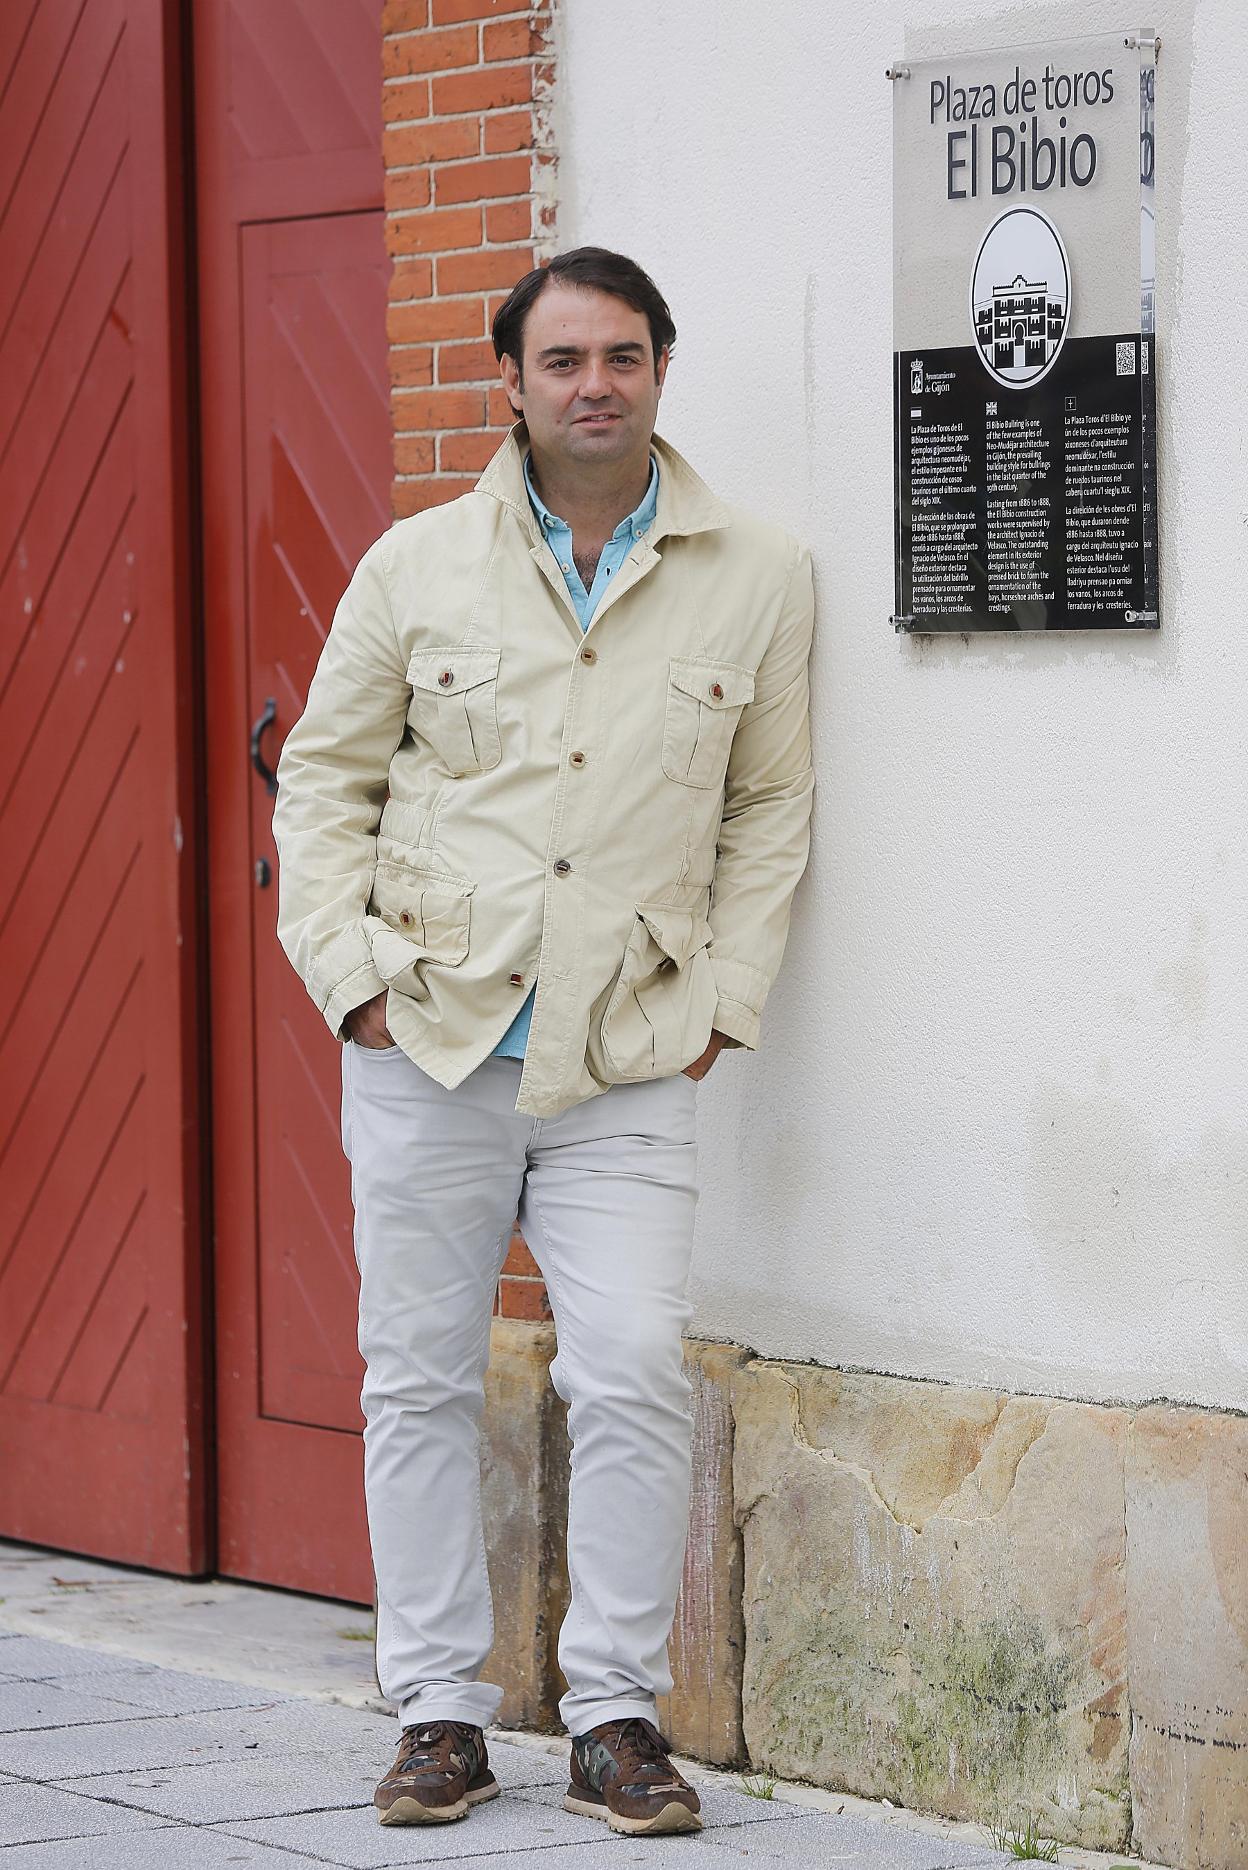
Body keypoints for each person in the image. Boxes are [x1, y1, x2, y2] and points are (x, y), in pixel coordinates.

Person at [272, 246, 815, 1838]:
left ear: (660, 371)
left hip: (626, 1053)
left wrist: (722, 998)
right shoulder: (413, 566)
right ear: (508, 379)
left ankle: (614, 1715)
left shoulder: (759, 574)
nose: (595, 384)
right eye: (564, 357)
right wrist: (350, 973)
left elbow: (772, 806)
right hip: (428, 1035)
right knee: (418, 1379)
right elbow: (326, 777)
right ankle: (438, 1708)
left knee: (636, 1366)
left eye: (624, 357)